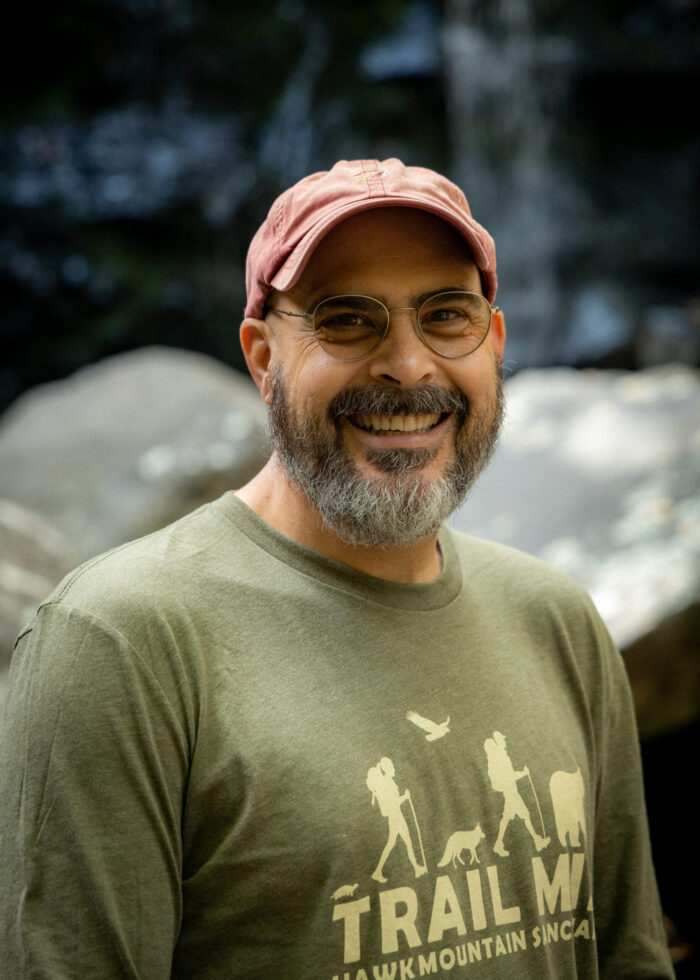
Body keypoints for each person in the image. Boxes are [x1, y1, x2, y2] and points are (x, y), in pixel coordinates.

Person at [0, 158, 673, 978]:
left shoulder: (557, 621)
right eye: (347, 320)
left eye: (447, 316)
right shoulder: (120, 646)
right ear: (262, 358)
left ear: (495, 344)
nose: (409, 365)